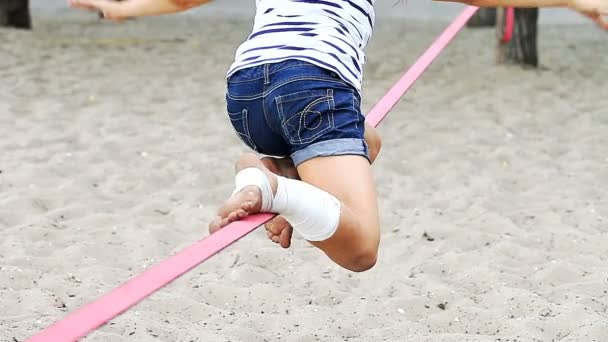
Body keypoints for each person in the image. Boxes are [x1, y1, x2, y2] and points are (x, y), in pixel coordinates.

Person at [69, 0, 607, 272]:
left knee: (368, 142)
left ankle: (277, 179)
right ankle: (271, 186)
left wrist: (123, 7)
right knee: (360, 250)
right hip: (311, 87)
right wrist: (582, 2)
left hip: (245, 92)